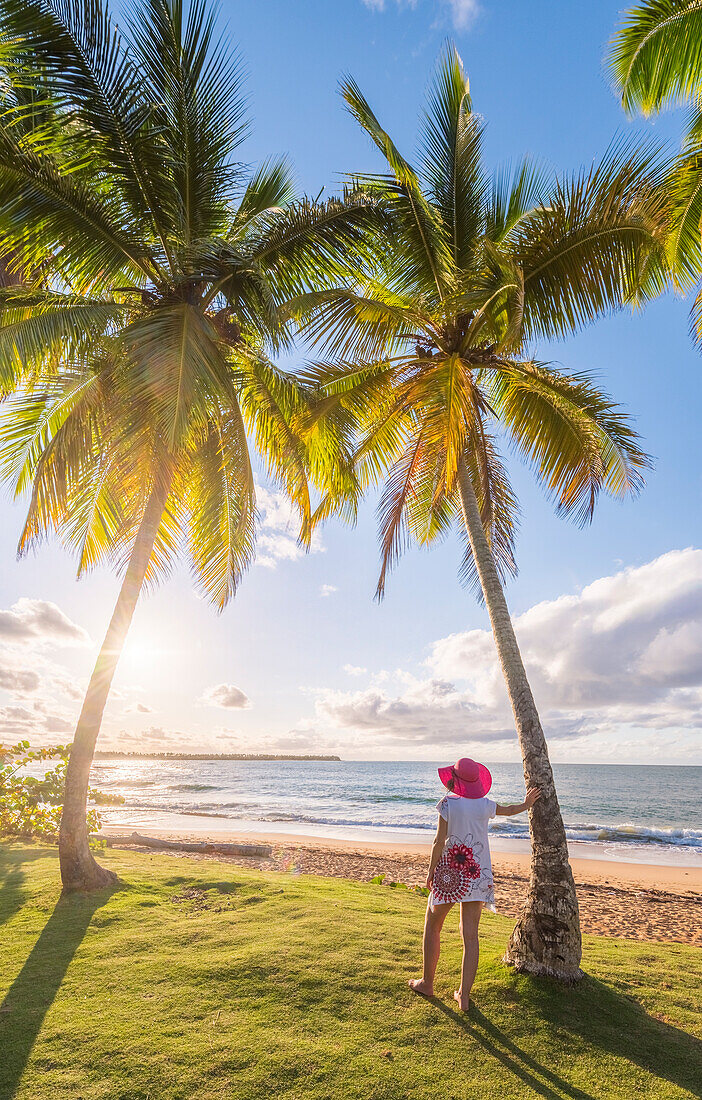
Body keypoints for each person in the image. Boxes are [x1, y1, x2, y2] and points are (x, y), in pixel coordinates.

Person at [409, 757, 541, 1011]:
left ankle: (427, 983)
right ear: (476, 782)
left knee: (432, 924)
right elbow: (509, 810)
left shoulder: (448, 803)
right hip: (477, 873)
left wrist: (430, 870)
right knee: (470, 936)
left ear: (453, 779)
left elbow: (439, 841)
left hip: (450, 873)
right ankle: (464, 997)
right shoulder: (484, 805)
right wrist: (527, 803)